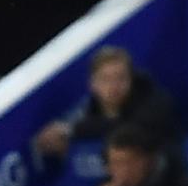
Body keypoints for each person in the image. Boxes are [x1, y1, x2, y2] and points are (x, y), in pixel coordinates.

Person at [32, 45, 178, 162]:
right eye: (106, 79)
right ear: (92, 84)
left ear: (131, 80)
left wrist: (72, 131)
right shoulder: (91, 112)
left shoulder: (154, 100)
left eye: (121, 78)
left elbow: (130, 130)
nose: (114, 86)